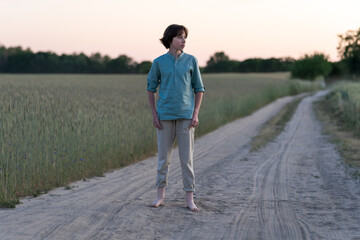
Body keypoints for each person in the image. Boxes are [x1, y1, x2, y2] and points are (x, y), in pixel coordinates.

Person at [146, 24, 205, 212]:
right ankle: (159, 197)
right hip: (164, 117)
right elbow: (150, 88)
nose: (184, 40)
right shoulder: (158, 62)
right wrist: (154, 114)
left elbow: (199, 88)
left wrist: (195, 113)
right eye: (180, 37)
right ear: (170, 39)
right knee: (164, 159)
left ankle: (189, 198)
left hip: (186, 117)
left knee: (186, 159)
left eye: (185, 37)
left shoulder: (191, 61)